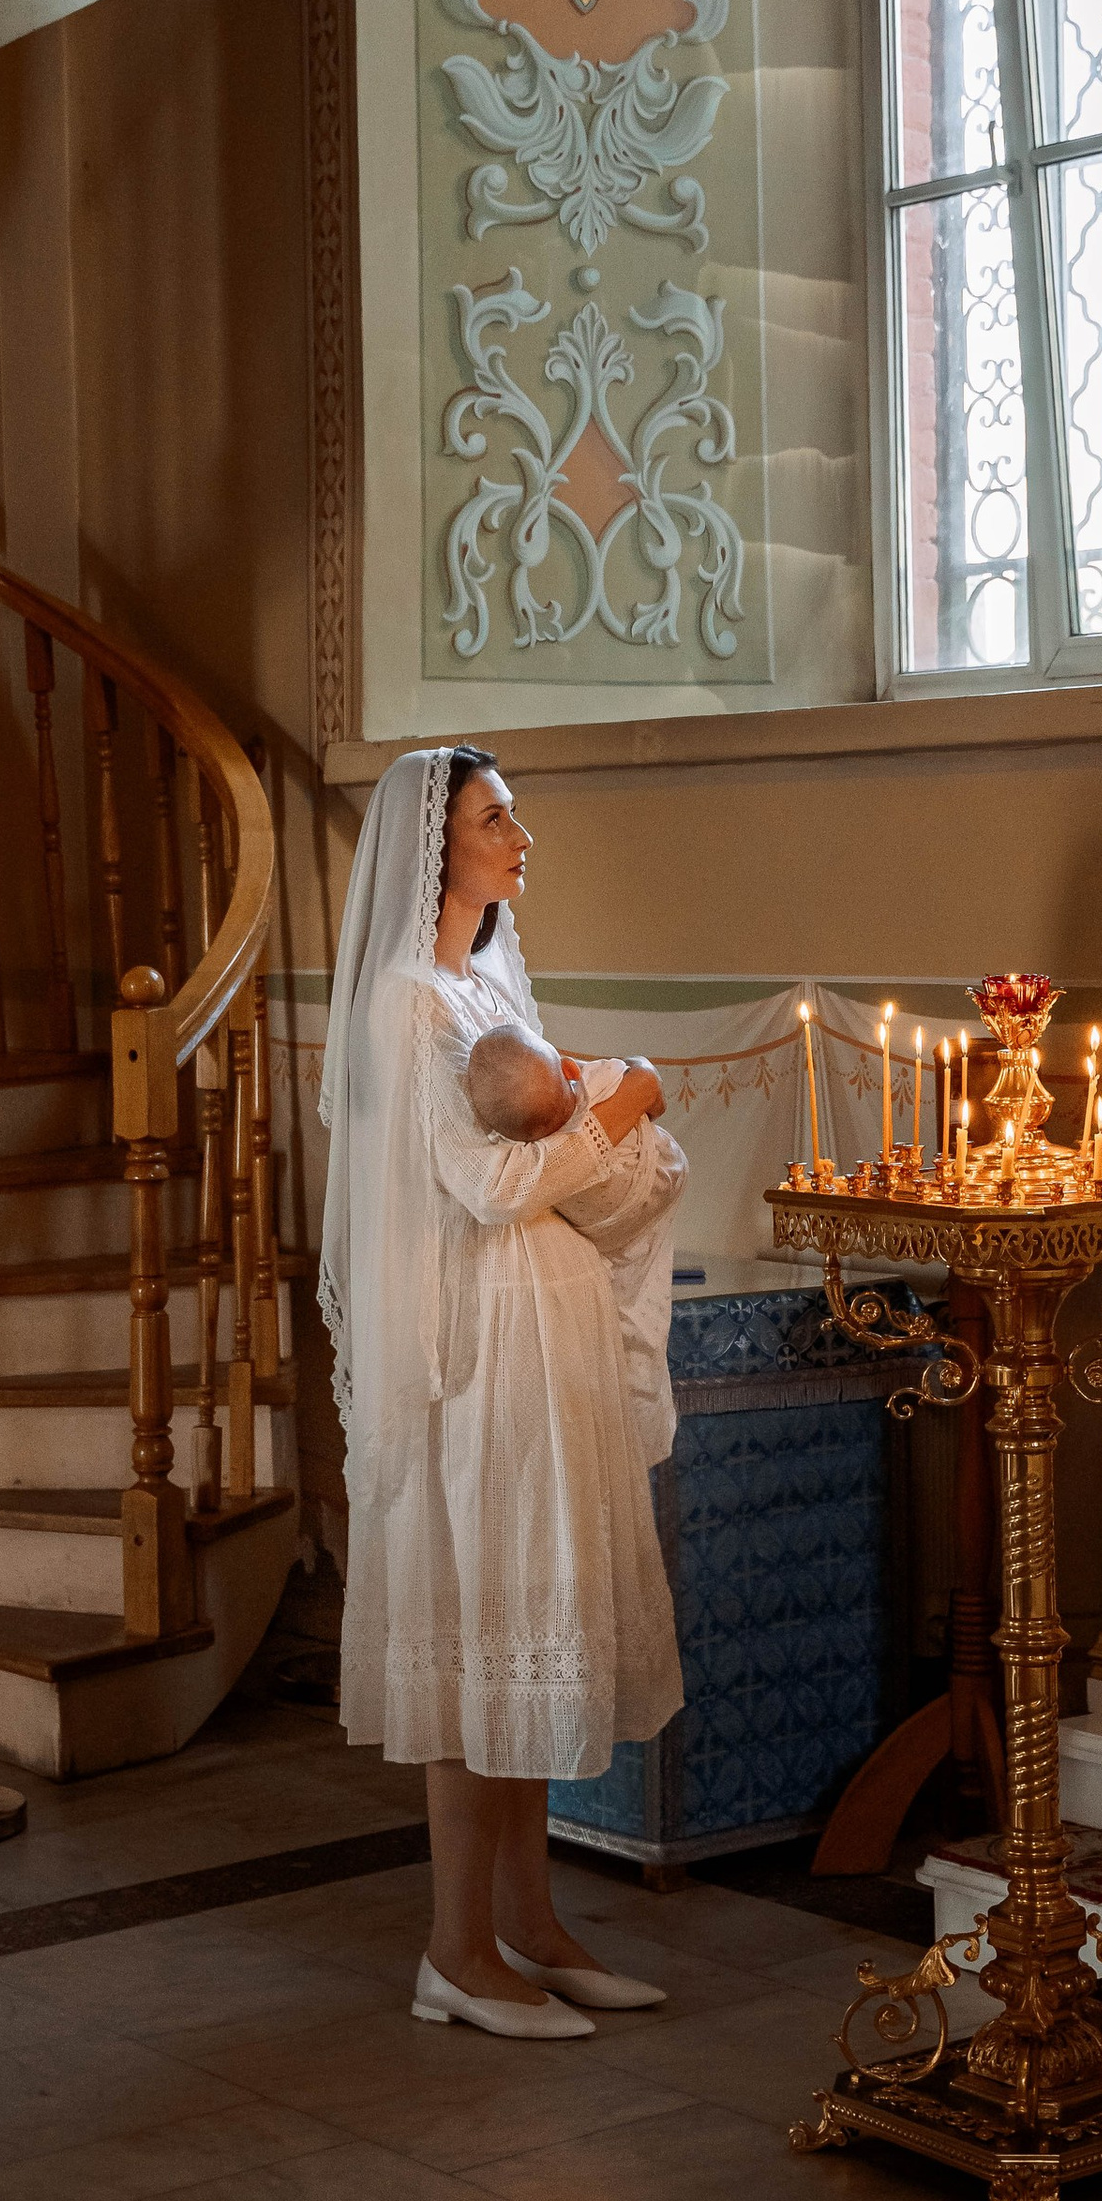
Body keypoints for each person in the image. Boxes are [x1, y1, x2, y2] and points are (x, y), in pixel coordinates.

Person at [317, 746, 684, 2040]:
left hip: (546, 1341)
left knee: (532, 1623)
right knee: (480, 1638)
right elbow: (489, 1186)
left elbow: (540, 1151)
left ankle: (531, 1924)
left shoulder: (486, 982)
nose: (520, 835)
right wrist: (627, 1101)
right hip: (476, 1356)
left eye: (514, 813)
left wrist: (601, 1130)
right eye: (494, 817)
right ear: (438, 847)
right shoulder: (411, 1005)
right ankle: (453, 1951)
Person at [464, 1025, 687, 1471]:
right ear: (567, 1067)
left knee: (634, 1317)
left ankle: (639, 1428)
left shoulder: (525, 1149)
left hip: (611, 1229)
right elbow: (653, 1095)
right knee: (643, 1306)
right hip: (659, 1178)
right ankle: (647, 1431)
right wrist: (634, 1073)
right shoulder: (594, 1083)